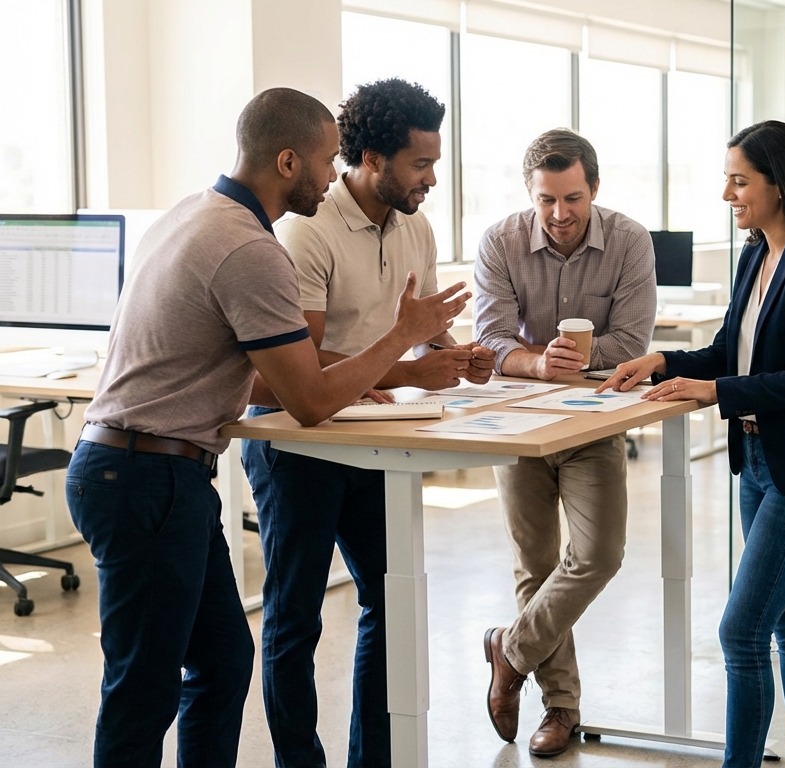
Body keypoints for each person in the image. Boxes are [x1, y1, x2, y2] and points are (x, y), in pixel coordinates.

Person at [65, 87, 467, 767]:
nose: (330, 174)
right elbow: (307, 399)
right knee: (144, 687)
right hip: (146, 476)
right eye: (323, 160)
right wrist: (404, 338)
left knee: (222, 657)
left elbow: (257, 376)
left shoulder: (194, 213)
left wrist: (388, 362)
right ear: (288, 161)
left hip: (150, 471)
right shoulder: (251, 250)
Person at [598, 119, 785, 768]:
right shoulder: (757, 253)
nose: (728, 193)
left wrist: (715, 393)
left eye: (739, 180)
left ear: (780, 184)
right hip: (757, 462)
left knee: (741, 631)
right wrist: (665, 361)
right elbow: (733, 352)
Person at [241, 78, 492, 768]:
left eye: (436, 163)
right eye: (420, 164)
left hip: (370, 441)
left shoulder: (415, 225)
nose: (432, 179)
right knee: (295, 616)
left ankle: (373, 760)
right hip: (297, 439)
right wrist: (410, 370)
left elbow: (416, 329)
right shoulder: (306, 230)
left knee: (392, 598)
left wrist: (454, 354)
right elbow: (301, 366)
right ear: (372, 159)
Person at [473, 128, 656, 757]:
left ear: (595, 189)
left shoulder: (629, 240)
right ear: (531, 194)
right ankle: (561, 709)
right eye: (546, 200)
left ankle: (509, 651)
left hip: (592, 422)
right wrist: (534, 363)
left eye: (572, 198)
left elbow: (631, 342)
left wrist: (572, 360)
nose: (560, 215)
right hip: (518, 422)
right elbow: (492, 337)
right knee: (536, 565)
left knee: (599, 554)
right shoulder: (499, 240)